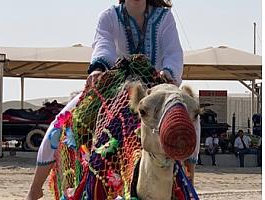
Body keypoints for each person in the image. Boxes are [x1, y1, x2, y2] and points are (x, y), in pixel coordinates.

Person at [27, 0, 189, 199]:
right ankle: (35, 189)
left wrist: (168, 72)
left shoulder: (165, 17)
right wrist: (98, 68)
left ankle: (189, 180)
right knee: (59, 125)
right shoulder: (109, 16)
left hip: (156, 89)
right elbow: (103, 44)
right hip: (114, 84)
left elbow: (173, 51)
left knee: (189, 124)